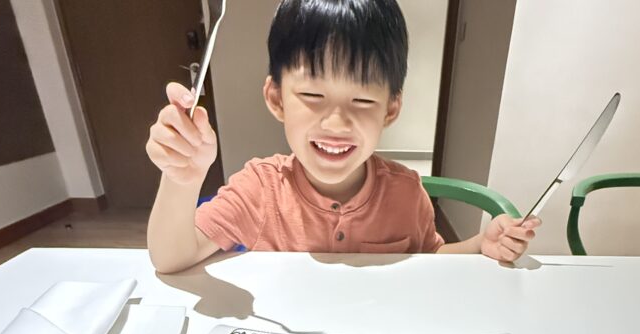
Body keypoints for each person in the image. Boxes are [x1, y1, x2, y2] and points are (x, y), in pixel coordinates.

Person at [146, 0, 540, 274]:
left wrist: (478, 246)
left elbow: (432, 258)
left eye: (363, 99)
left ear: (390, 109)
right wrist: (183, 178)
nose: (336, 122)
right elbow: (171, 258)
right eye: (313, 95)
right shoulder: (259, 190)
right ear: (276, 98)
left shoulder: (406, 192)